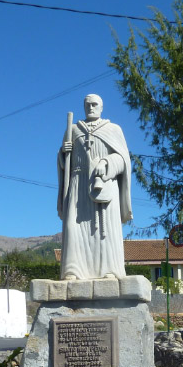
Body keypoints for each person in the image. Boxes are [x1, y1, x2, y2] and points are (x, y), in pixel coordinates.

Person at [57, 94, 132, 280]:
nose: (91, 107)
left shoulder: (113, 129)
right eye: (87, 104)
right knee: (73, 227)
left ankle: (110, 271)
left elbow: (124, 160)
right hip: (78, 183)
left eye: (94, 104)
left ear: (102, 107)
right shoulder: (73, 130)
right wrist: (62, 154)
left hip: (104, 184)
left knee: (106, 231)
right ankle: (73, 270)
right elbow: (63, 163)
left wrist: (106, 163)